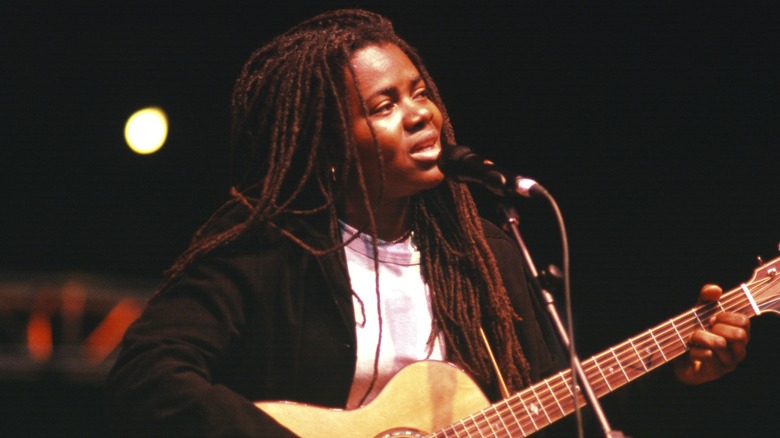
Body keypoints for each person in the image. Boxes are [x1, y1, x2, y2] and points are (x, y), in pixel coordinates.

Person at [105, 9, 750, 437]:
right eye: (384, 104)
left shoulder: (484, 255)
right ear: (330, 141)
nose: (420, 115)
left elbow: (559, 408)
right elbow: (148, 378)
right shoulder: (271, 249)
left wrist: (683, 377)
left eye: (420, 92)